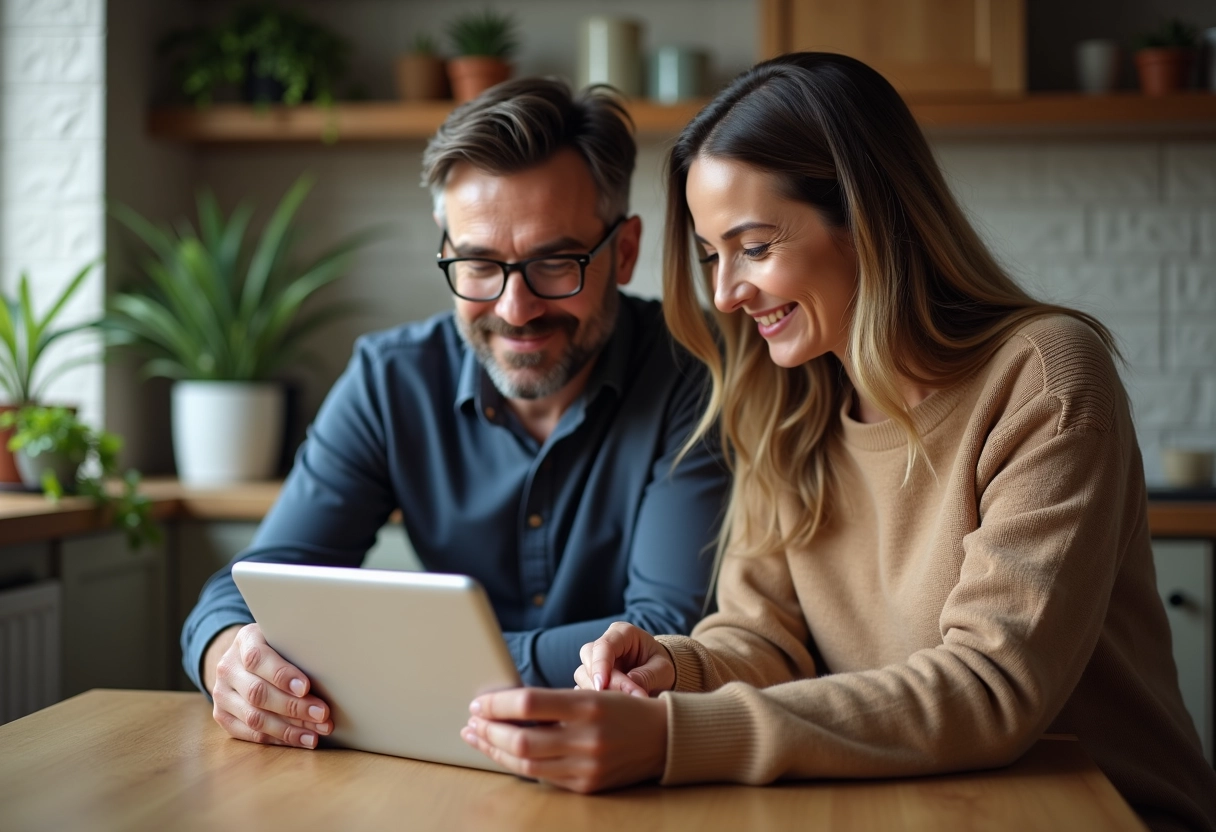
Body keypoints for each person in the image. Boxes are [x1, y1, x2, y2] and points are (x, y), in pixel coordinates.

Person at [458, 54, 1216, 831]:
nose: (724, 293)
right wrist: (674, 668)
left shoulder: (1043, 376)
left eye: (753, 248)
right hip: (906, 805)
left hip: (1103, 811)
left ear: (867, 219)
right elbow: (763, 637)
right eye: (712, 256)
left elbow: (992, 688)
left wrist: (671, 736)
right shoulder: (789, 399)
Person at [182, 78, 730, 751]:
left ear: (623, 252)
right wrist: (229, 658)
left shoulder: (696, 372)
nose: (514, 309)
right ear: (446, 252)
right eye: (477, 265)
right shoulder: (391, 380)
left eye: (554, 263)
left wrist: (397, 666)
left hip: (621, 766)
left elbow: (663, 634)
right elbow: (249, 589)